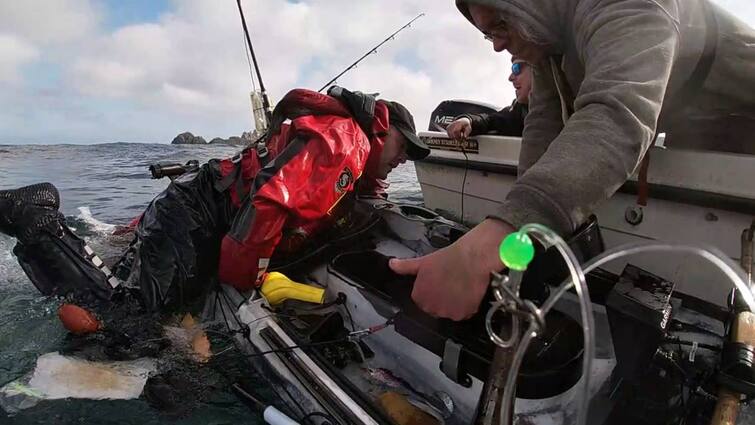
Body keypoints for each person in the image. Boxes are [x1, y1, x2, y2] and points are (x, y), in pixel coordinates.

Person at [389, 0, 755, 320]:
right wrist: (514, 236)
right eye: (489, 34)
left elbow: (617, 118)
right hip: (694, 124)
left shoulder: (629, 4)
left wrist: (478, 252)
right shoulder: (550, 49)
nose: (498, 45)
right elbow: (542, 129)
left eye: (501, 24)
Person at [0, 86, 429, 314]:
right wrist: (250, 279)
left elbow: (361, 192)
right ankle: (36, 222)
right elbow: (267, 205)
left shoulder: (354, 152)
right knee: (129, 321)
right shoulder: (345, 143)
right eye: (403, 149)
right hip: (195, 215)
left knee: (126, 288)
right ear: (383, 129)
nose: (403, 159)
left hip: (192, 203)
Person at [446, 57, 531, 139]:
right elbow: (490, 121)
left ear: (540, 70)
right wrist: (469, 121)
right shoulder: (517, 111)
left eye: (516, 69)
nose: (510, 77)